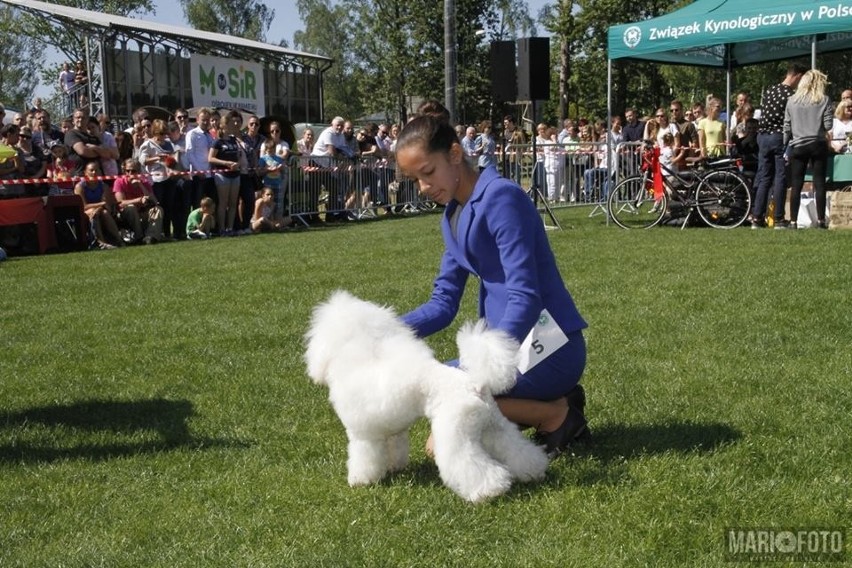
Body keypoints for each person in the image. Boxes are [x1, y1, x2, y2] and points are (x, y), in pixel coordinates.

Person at [394, 102, 589, 459]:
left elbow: (525, 295)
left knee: (444, 395)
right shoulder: (453, 215)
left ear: (455, 154)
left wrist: (486, 365)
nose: (422, 187)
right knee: (435, 394)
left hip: (551, 342)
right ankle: (552, 403)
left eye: (427, 172)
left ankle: (556, 414)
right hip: (511, 348)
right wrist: (386, 330)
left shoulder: (501, 197)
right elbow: (443, 304)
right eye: (414, 180)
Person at [751, 62, 807, 229]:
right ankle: (779, 218)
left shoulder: (770, 91)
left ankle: (757, 217)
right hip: (778, 137)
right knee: (780, 177)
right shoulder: (791, 95)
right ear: (797, 75)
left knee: (764, 178)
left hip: (762, 137)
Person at [784, 69, 833, 230]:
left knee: (796, 184)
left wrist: (785, 145)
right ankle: (820, 221)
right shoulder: (824, 100)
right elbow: (828, 126)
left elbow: (787, 126)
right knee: (819, 183)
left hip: (798, 145)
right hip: (818, 144)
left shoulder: (792, 101)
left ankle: (793, 221)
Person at [113, 158, 164, 244]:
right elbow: (120, 203)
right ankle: (139, 237)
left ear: (139, 172)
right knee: (131, 208)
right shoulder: (119, 182)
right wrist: (139, 200)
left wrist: (140, 185)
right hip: (125, 214)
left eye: (133, 171)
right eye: (127, 171)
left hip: (142, 212)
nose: (130, 174)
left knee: (158, 209)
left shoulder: (144, 182)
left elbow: (155, 201)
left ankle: (150, 237)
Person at [74, 161, 123, 249]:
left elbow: (106, 205)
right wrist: (100, 205)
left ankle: (119, 240)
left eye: (96, 170)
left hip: (101, 210)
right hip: (85, 212)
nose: (94, 173)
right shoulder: (80, 187)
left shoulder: (104, 186)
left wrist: (99, 207)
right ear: (85, 172)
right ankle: (101, 242)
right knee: (94, 212)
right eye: (91, 170)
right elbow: (83, 206)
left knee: (105, 213)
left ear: (100, 172)